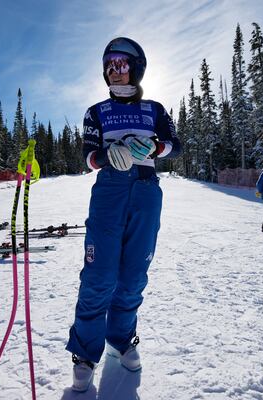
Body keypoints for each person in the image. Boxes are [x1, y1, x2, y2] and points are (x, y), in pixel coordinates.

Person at [67, 37, 181, 392]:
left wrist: (157, 146)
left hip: (147, 191)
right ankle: (85, 353)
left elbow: (175, 145)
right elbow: (86, 156)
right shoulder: (96, 112)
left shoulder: (155, 109)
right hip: (110, 191)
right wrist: (107, 153)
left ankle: (121, 339)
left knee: (133, 277)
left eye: (121, 63)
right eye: (109, 65)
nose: (114, 70)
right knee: (99, 275)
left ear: (137, 66)